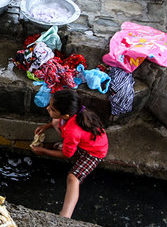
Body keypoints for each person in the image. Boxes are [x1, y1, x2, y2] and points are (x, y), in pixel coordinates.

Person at [30, 89, 108, 218]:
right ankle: (64, 145)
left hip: (94, 152)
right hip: (86, 140)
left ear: (66, 115)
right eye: (50, 105)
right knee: (55, 122)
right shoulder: (77, 112)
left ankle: (65, 216)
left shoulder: (72, 131)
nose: (48, 109)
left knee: (73, 178)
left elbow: (67, 155)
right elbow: (58, 122)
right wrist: (47, 126)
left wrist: (44, 151)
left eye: (52, 109)